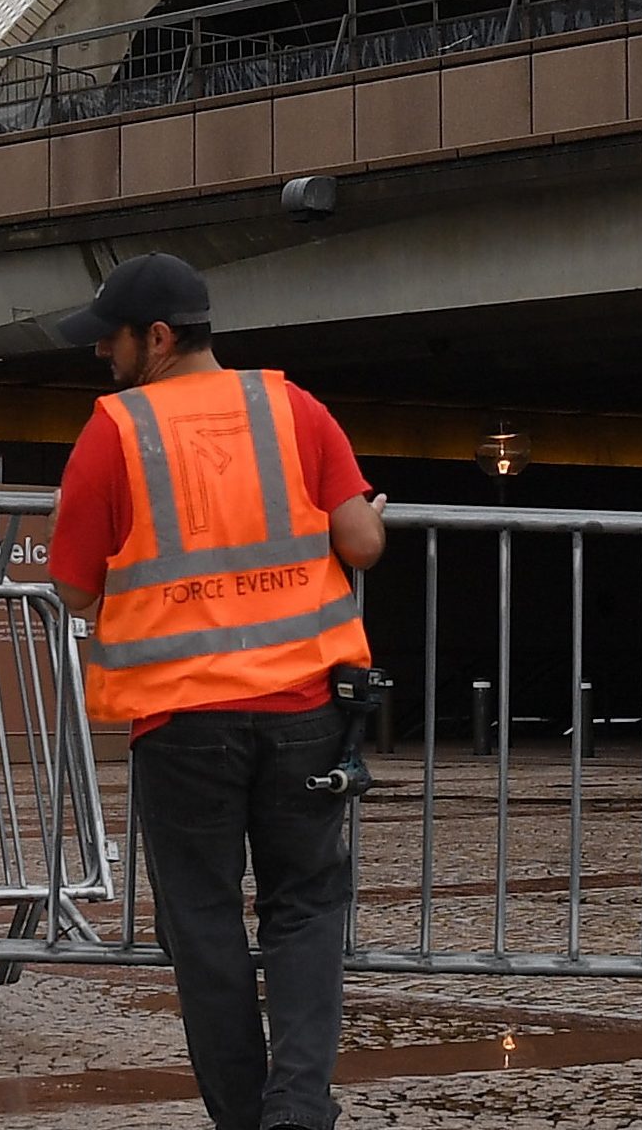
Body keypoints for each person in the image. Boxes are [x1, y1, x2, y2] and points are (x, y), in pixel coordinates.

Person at [44, 254, 383, 1130]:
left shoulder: (113, 430)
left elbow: (75, 588)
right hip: (305, 708)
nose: (98, 356)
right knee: (304, 907)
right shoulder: (290, 406)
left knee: (202, 926)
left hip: (182, 719)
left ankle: (244, 1119)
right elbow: (361, 540)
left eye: (107, 338)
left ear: (155, 337)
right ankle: (298, 1109)